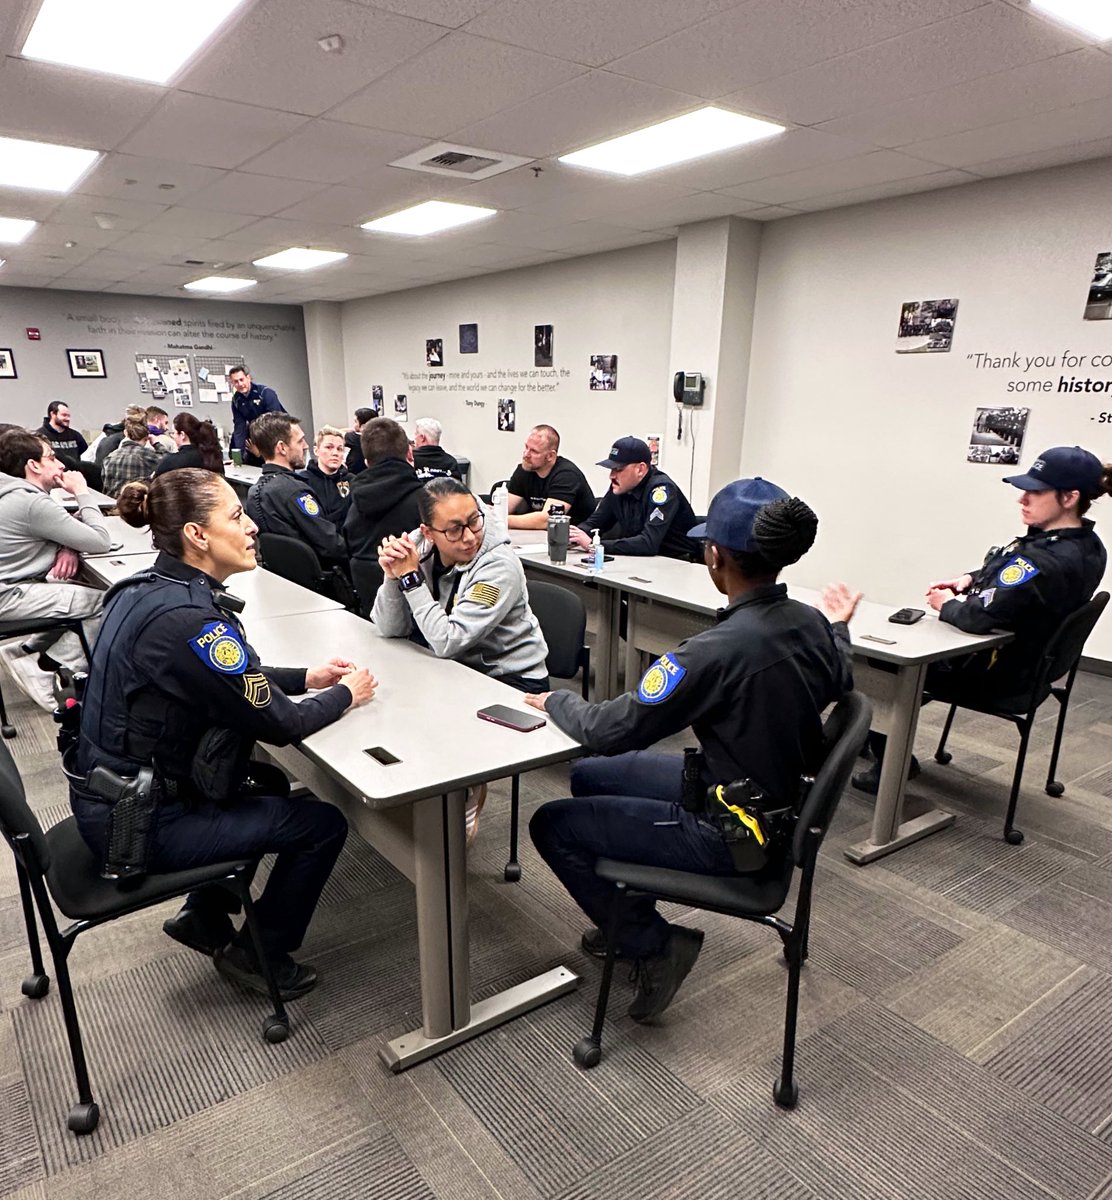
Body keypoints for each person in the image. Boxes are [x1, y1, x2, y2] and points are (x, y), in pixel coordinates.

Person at [528, 479, 857, 1020]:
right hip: (764, 799)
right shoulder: (812, 622)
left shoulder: (713, 653)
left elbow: (613, 728)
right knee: (590, 777)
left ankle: (652, 946)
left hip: (729, 830)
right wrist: (841, 625)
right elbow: (841, 668)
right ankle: (624, 904)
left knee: (553, 825)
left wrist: (556, 701)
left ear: (714, 557)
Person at [69, 469, 376, 999]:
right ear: (198, 535)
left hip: (114, 793)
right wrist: (349, 693)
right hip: (141, 824)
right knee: (321, 824)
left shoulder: (145, 591)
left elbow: (222, 680)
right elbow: (281, 724)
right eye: (236, 515)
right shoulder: (193, 622)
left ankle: (202, 914)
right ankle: (259, 956)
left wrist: (308, 678)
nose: (252, 525)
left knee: (267, 785)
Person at [853, 445, 1112, 793]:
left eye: (1035, 492)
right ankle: (879, 736)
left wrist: (945, 603)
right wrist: (971, 579)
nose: (1022, 499)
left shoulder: (1046, 562)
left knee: (879, 664)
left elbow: (977, 617)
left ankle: (893, 763)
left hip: (997, 674)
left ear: (1069, 497)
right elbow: (1013, 576)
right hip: (1029, 664)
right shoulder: (1085, 544)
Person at [374, 478, 549, 843]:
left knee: (431, 723)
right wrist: (393, 576)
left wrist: (409, 578)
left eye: (475, 520)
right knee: (383, 701)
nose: (469, 536)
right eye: (454, 529)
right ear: (428, 531)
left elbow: (448, 640)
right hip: (455, 670)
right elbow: (389, 628)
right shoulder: (419, 546)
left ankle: (463, 790)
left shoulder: (498, 564)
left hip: (510, 682)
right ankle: (427, 794)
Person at [0, 429, 110, 707]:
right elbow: (100, 542)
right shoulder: (31, 502)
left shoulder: (13, 494)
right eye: (51, 458)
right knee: (107, 602)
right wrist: (82, 492)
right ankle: (42, 668)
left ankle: (26, 648)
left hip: (12, 586)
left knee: (72, 592)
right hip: (8, 595)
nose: (61, 464)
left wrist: (68, 545)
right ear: (33, 466)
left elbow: (61, 527)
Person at [245, 413, 348, 570]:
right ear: (282, 448)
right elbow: (331, 545)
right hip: (320, 581)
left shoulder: (254, 492)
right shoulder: (296, 492)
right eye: (300, 441)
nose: (306, 446)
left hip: (285, 576)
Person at [569, 436, 698, 560]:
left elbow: (648, 543)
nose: (611, 476)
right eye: (611, 469)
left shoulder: (662, 490)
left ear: (640, 469)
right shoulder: (620, 487)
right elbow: (595, 523)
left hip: (678, 562)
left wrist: (595, 545)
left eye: (618, 469)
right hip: (643, 560)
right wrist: (571, 536)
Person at [344, 418, 424, 564]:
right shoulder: (426, 503)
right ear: (410, 454)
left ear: (367, 462)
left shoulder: (352, 506)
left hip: (362, 585)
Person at [506, 425, 596, 528]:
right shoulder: (525, 469)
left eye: (534, 451)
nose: (526, 454)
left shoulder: (567, 475)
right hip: (540, 536)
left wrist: (502, 520)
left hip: (573, 536)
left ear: (550, 456)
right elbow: (504, 509)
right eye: (526, 447)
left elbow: (546, 520)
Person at [38, 401, 102, 490]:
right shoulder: (41, 436)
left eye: (69, 416)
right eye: (64, 415)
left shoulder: (75, 436)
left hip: (73, 480)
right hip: (52, 481)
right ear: (52, 414)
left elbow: (86, 457)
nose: (67, 419)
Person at [229, 366, 284, 466]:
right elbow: (239, 429)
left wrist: (262, 452)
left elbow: (276, 424)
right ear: (232, 383)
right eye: (236, 382)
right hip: (258, 436)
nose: (240, 384)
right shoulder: (236, 400)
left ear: (248, 378)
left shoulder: (265, 393)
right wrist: (238, 459)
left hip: (278, 434)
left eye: (242, 380)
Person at [298, 425, 353, 525]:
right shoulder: (302, 481)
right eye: (329, 447)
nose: (335, 453)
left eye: (340, 449)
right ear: (316, 450)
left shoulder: (352, 480)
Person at [101, 416, 161, 497]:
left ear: (126, 433)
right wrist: (157, 444)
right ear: (147, 438)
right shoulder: (149, 456)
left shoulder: (110, 457)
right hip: (137, 506)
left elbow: (105, 487)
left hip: (113, 505)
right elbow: (167, 461)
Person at [154, 411, 226, 477]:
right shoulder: (212, 457)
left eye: (173, 433)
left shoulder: (170, 462)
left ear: (182, 435)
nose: (173, 436)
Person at [413, 417, 462, 482]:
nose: (414, 438)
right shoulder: (451, 462)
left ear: (422, 437)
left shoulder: (410, 460)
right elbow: (458, 490)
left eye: (416, 434)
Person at [344, 408, 374, 475]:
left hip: (355, 475)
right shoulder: (378, 438)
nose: (354, 424)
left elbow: (336, 433)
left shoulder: (355, 438)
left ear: (363, 426)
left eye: (355, 422)